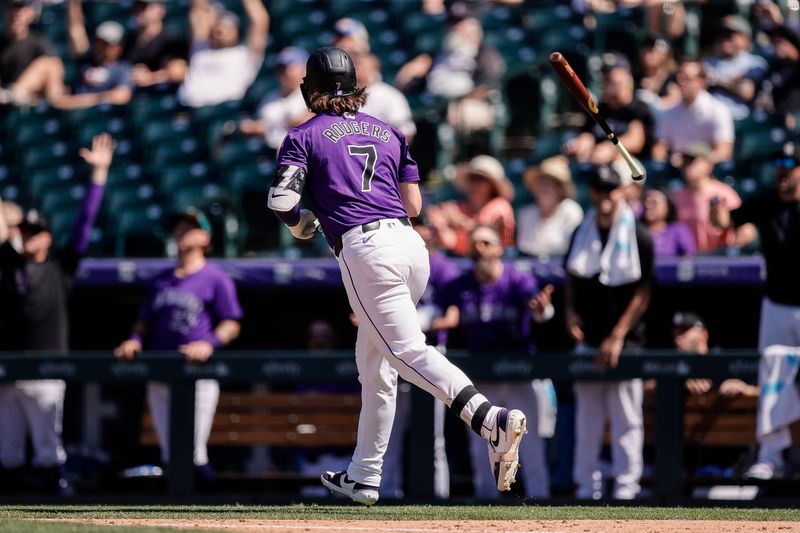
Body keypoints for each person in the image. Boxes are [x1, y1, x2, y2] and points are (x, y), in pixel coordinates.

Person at [267, 47, 528, 505]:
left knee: (406, 352)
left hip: (366, 249)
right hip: (410, 247)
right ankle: (364, 476)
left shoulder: (303, 135)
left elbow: (281, 202)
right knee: (376, 367)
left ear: (311, 89)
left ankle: (491, 420)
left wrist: (299, 224)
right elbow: (414, 207)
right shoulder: (388, 131)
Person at [0, 133, 114, 493]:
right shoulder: (8, 265)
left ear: (47, 237)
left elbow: (84, 223)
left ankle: (56, 488)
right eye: (25, 232)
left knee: (49, 447)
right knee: (8, 451)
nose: (30, 237)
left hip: (47, 367)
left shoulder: (60, 267)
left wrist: (99, 175)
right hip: (7, 367)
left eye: (36, 232)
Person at [114, 207, 243, 478]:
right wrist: (134, 340)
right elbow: (144, 320)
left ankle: (209, 506)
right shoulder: (162, 280)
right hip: (161, 370)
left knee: (193, 452)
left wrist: (208, 344)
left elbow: (231, 324)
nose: (181, 231)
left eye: (190, 227)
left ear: (205, 238)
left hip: (197, 371)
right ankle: (178, 513)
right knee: (170, 453)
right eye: (179, 226)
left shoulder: (216, 278)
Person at [435, 225, 556, 499]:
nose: (481, 249)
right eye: (475, 244)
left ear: (500, 248)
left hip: (520, 375)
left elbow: (541, 310)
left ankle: (540, 501)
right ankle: (486, 506)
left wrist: (543, 309)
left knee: (531, 444)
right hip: (481, 381)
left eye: (487, 243)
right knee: (481, 448)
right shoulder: (460, 285)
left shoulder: (516, 279)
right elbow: (434, 311)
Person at [710, 141, 800, 480]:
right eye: (778, 162)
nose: (783, 169)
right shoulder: (766, 202)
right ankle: (770, 454)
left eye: (790, 163)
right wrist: (717, 212)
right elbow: (726, 223)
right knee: (772, 377)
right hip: (776, 304)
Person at [564, 165, 654, 500]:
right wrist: (570, 311)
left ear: (621, 192)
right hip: (588, 339)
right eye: (599, 189)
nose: (604, 195)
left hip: (625, 343)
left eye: (610, 189)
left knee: (626, 420)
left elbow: (643, 293)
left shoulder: (639, 234)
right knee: (587, 421)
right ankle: (586, 488)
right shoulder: (581, 232)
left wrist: (617, 336)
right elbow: (571, 275)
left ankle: (627, 489)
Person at [563, 53, 654, 165]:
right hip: (596, 164)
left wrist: (611, 149)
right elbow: (588, 136)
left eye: (611, 74)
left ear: (627, 75)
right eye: (604, 74)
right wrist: (578, 145)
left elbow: (636, 141)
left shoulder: (639, 107)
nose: (606, 79)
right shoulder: (598, 108)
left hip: (631, 166)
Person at [178, 0, 268, 108]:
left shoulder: (245, 54)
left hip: (225, 112)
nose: (222, 29)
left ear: (236, 31)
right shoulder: (201, 48)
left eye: (228, 26)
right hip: (188, 109)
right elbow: (197, 12)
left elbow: (260, 21)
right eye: (219, 25)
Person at [426, 155, 515, 256]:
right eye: (472, 178)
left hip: (497, 261)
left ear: (492, 185)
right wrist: (440, 224)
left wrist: (459, 221)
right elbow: (450, 239)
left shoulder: (500, 205)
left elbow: (485, 228)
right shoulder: (462, 206)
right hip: (462, 262)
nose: (475, 183)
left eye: (480, 179)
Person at [652, 59, 734, 164]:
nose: (681, 83)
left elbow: (724, 152)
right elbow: (659, 148)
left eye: (687, 78)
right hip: (676, 171)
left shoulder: (718, 110)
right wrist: (667, 160)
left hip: (709, 172)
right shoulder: (668, 113)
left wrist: (696, 163)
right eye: (679, 78)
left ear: (702, 81)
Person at [672, 143, 751, 253]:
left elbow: (746, 230)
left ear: (708, 165)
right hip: (688, 259)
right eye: (685, 160)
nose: (687, 165)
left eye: (693, 160)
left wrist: (732, 250)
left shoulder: (724, 193)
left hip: (717, 261)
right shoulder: (678, 196)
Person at [59, 0, 133, 109]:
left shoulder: (122, 68)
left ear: (118, 49)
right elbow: (76, 30)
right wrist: (74, 4)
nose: (101, 47)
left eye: (107, 44)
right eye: (99, 42)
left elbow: (122, 96)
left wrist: (80, 101)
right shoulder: (86, 60)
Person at [670, 311, 758, 397]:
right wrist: (679, 385)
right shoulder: (673, 365)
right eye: (675, 333)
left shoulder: (725, 360)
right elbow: (657, 384)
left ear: (703, 335)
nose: (678, 337)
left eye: (683, 332)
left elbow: (767, 389)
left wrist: (744, 388)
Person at [239, 46, 312, 150]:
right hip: (265, 151)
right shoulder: (270, 98)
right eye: (280, 68)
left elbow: (303, 124)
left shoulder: (312, 95)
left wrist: (267, 127)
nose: (283, 73)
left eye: (288, 68)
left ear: (304, 69)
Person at [516, 156, 583, 259]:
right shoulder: (525, 214)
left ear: (560, 189)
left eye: (548, 183)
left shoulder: (571, 211)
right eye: (540, 182)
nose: (543, 187)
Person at [0, 0, 64, 105]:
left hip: (28, 99)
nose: (16, 15)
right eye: (12, 9)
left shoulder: (38, 42)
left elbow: (54, 68)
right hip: (4, 102)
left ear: (30, 14)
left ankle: (15, 93)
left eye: (20, 10)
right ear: (5, 12)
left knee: (49, 64)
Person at [703, 15, 768, 120]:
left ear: (745, 38)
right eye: (722, 34)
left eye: (730, 35)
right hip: (710, 122)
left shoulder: (754, 62)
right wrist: (733, 81)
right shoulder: (708, 63)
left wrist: (716, 81)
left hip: (741, 122)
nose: (725, 39)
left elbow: (746, 91)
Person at [126, 0, 189, 91]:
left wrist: (151, 77)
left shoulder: (170, 38)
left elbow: (180, 71)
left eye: (144, 7)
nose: (139, 11)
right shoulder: (130, 40)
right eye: (137, 6)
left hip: (165, 95)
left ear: (160, 10)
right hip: (137, 97)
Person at [356, 53, 417, 142]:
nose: (359, 70)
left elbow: (406, 132)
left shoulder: (390, 95)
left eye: (363, 67)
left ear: (375, 69)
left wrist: (387, 152)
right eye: (356, 66)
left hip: (381, 149)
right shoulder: (346, 95)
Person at [641, 187, 696, 257]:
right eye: (646, 201)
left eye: (654, 202)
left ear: (668, 206)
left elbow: (689, 258)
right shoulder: (637, 230)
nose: (648, 205)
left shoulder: (678, 230)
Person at [635, 33, 680, 112]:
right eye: (645, 47)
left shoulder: (673, 78)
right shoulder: (635, 78)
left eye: (653, 49)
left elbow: (676, 103)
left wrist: (655, 101)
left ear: (665, 54)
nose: (648, 52)